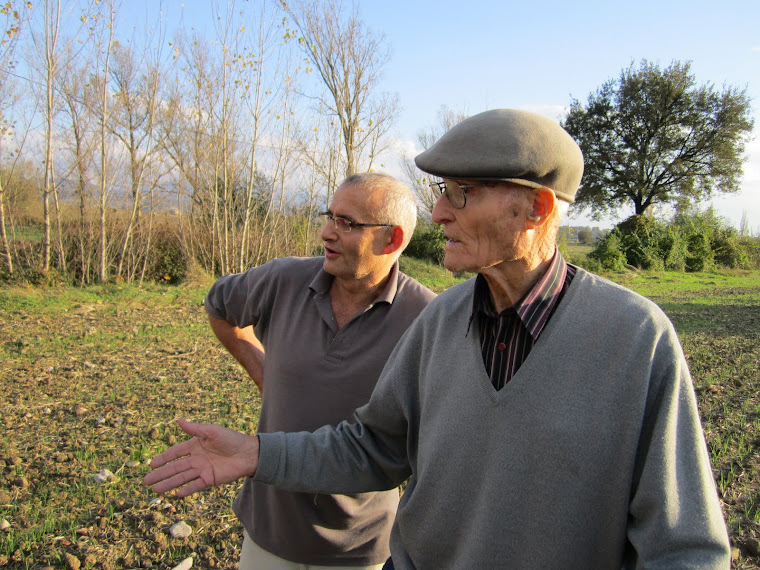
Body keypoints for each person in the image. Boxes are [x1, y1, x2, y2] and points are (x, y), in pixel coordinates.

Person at [146, 109, 730, 568]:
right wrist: (257, 453)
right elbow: (372, 449)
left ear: (536, 208)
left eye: (461, 193)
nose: (440, 212)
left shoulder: (633, 339)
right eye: (441, 191)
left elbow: (684, 548)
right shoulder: (442, 322)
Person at [198, 172, 435, 569]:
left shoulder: (428, 319)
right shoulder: (283, 279)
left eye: (347, 223)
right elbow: (219, 307)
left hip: (359, 547)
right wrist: (263, 372)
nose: (326, 232)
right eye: (329, 216)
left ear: (392, 239)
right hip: (269, 532)